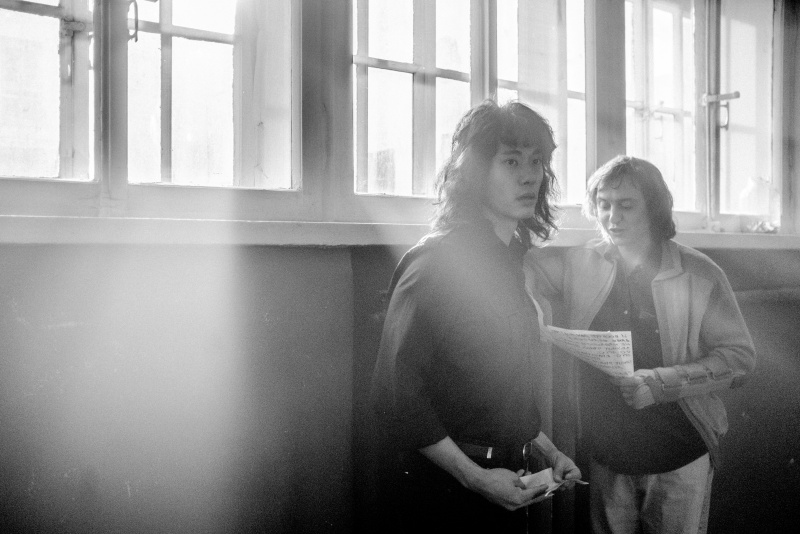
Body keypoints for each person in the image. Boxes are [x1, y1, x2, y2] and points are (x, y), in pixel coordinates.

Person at [369, 99, 582, 533]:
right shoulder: (438, 264)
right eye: (511, 161)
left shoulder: (509, 260)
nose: (529, 176)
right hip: (448, 493)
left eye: (537, 162)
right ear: (475, 171)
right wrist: (476, 479)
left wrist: (548, 451)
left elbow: (499, 391)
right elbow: (395, 397)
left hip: (510, 481)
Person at [530, 155, 756, 534]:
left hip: (679, 453)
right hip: (606, 454)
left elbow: (739, 359)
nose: (612, 217)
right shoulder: (580, 262)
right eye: (603, 204)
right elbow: (525, 267)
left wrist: (661, 383)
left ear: (654, 206)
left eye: (626, 205)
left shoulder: (699, 272)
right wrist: (533, 307)